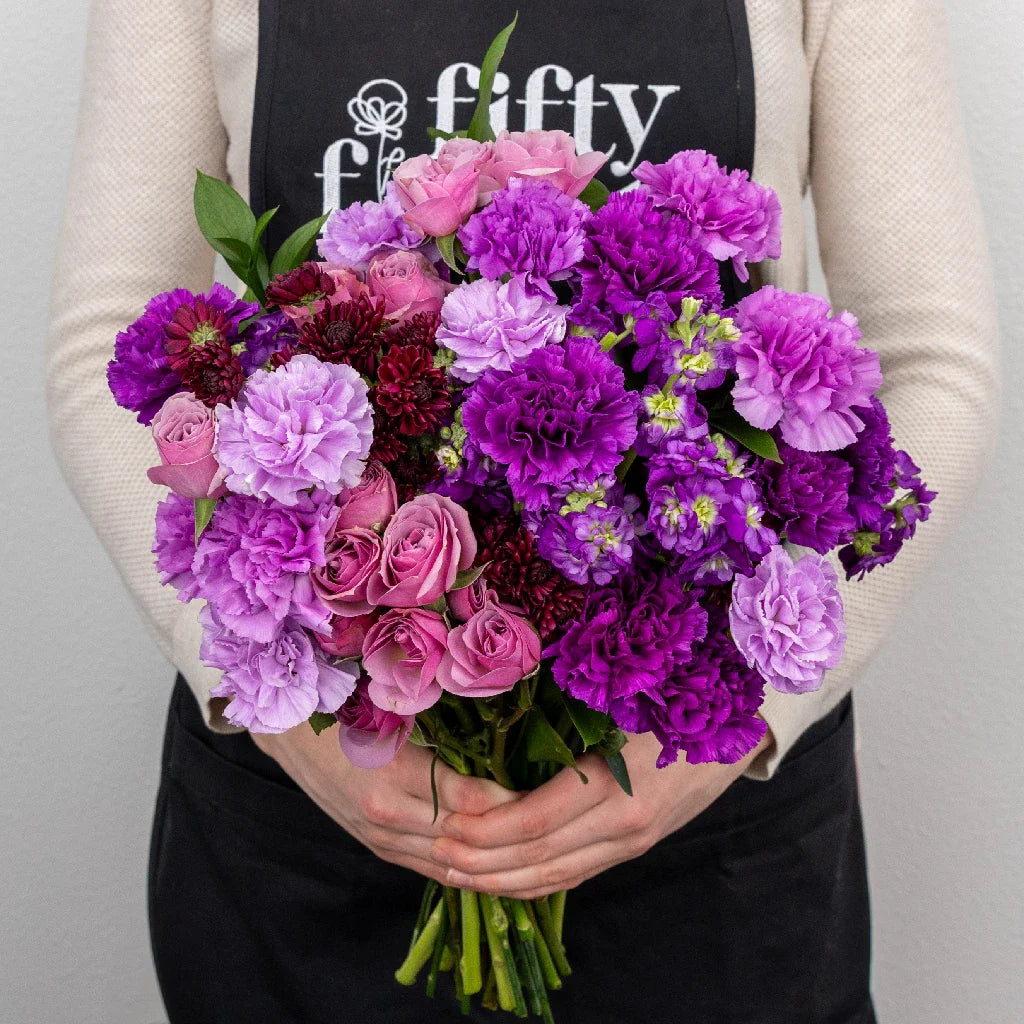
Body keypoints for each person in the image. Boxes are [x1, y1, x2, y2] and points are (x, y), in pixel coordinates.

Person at [46, 1, 998, 1021]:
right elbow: (109, 340)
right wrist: (283, 712)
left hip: (701, 831)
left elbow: (931, 357)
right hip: (317, 821)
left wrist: (734, 719)